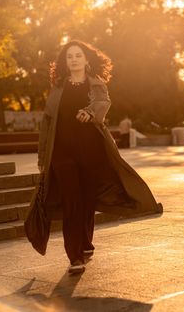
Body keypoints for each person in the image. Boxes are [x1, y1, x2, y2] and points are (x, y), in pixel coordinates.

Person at [24, 39, 163, 275]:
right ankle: (75, 256)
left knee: (87, 200)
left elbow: (102, 103)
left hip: (91, 152)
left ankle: (86, 244)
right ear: (65, 62)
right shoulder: (58, 88)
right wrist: (42, 157)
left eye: (78, 55)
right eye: (69, 56)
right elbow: (47, 122)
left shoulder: (96, 83)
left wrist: (90, 112)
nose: (74, 59)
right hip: (61, 152)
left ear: (86, 59)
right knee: (71, 200)